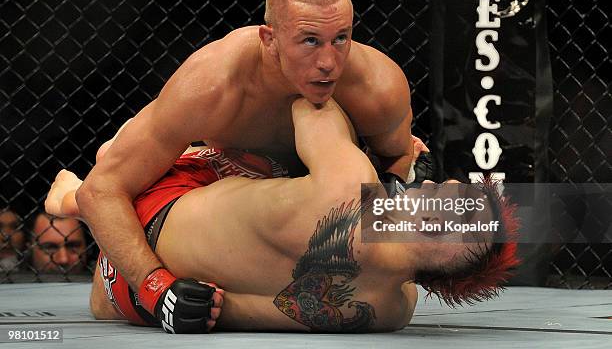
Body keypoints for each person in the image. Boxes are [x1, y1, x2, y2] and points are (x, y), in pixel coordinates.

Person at [74, 0, 424, 332]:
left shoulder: (377, 87)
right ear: (269, 39)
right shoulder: (210, 86)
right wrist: (157, 289)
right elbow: (100, 190)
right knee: (105, 292)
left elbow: (402, 158)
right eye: (309, 41)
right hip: (222, 186)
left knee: (389, 294)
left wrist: (382, 221)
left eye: (341, 38)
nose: (328, 62)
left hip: (307, 210)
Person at [47, 98, 519, 332]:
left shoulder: (343, 186)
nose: (440, 183)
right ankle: (83, 202)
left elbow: (310, 98)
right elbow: (240, 307)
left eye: (451, 195)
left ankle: (73, 197)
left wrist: (387, 138)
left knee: (238, 136)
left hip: (150, 211)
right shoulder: (393, 310)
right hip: (128, 297)